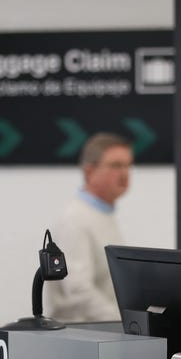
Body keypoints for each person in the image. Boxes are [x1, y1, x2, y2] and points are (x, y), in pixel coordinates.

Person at [46, 132, 133, 322]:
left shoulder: (102, 215)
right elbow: (78, 290)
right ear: (89, 171)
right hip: (82, 338)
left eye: (128, 165)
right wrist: (124, 322)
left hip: (102, 334)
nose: (125, 173)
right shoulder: (75, 219)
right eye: (116, 165)